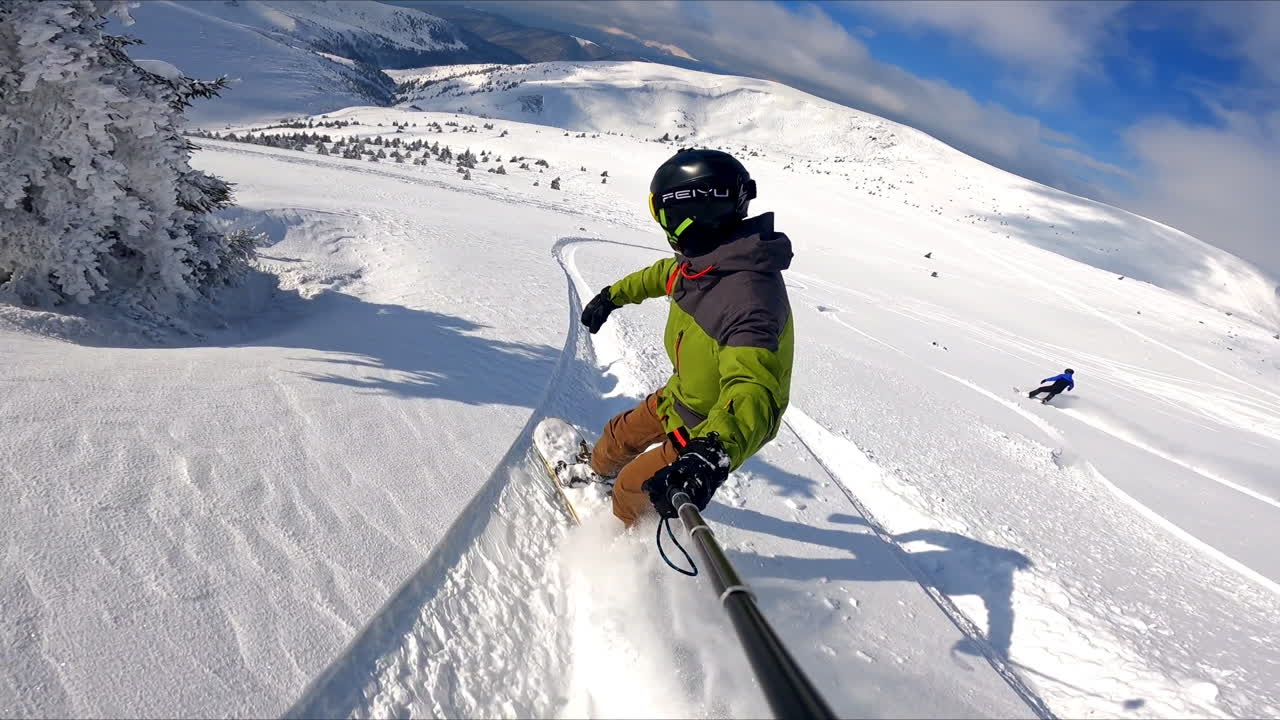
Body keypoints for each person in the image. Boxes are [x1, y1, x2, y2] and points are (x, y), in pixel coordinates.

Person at [578, 148, 794, 526]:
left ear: (686, 213)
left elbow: (754, 388)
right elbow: (660, 275)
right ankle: (593, 472)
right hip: (675, 397)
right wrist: (612, 297)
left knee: (631, 486)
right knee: (617, 436)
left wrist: (710, 452)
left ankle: (624, 537)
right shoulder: (702, 265)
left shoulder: (750, 299)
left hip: (702, 428)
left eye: (662, 213)